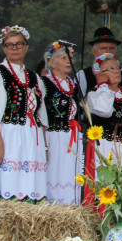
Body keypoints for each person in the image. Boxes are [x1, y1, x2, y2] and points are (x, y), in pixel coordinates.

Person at [0, 25, 49, 201]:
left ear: (26, 46)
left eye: (19, 44)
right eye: (9, 44)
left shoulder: (35, 78)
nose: (15, 48)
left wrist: (45, 147)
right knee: (8, 180)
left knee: (30, 182)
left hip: (32, 136)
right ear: (4, 48)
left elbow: (40, 117)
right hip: (9, 134)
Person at [41, 40, 83, 204]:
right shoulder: (44, 83)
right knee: (55, 172)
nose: (69, 61)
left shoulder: (73, 84)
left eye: (70, 57)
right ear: (51, 62)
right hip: (53, 136)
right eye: (64, 57)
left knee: (71, 174)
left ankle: (71, 204)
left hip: (72, 137)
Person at [84, 52, 122, 169]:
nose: (116, 71)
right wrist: (102, 85)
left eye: (118, 68)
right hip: (105, 146)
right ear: (100, 74)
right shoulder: (94, 94)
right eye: (110, 69)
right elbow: (105, 110)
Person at [77, 27, 122, 97]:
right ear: (94, 51)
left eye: (112, 48)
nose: (108, 51)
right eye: (103, 48)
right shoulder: (82, 76)